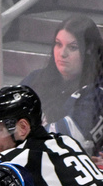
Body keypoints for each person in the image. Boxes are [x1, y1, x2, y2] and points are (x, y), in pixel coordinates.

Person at [21, 15, 103, 158]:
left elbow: (62, 143)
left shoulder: (98, 92)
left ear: (89, 51)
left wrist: (17, 132)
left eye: (73, 47)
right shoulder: (35, 78)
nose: (62, 53)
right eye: (58, 44)